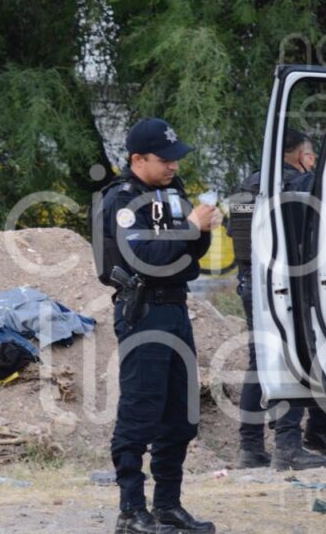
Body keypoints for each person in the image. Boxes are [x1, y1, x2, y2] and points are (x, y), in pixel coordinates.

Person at [94, 117, 219, 534]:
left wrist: (201, 228)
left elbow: (189, 255)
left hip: (176, 308)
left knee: (180, 413)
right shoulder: (121, 201)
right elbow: (144, 256)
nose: (173, 166)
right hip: (143, 311)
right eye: (164, 160)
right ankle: (131, 509)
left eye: (175, 159)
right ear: (137, 159)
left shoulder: (170, 193)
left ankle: (167, 505)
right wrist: (189, 227)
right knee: (140, 411)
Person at [228, 129, 326, 471]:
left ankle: (251, 448)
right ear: (297, 156)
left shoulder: (247, 186)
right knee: (302, 357)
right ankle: (291, 444)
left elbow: (236, 236)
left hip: (252, 280)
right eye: (310, 156)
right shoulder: (297, 183)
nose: (312, 163)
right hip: (289, 282)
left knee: (260, 361)